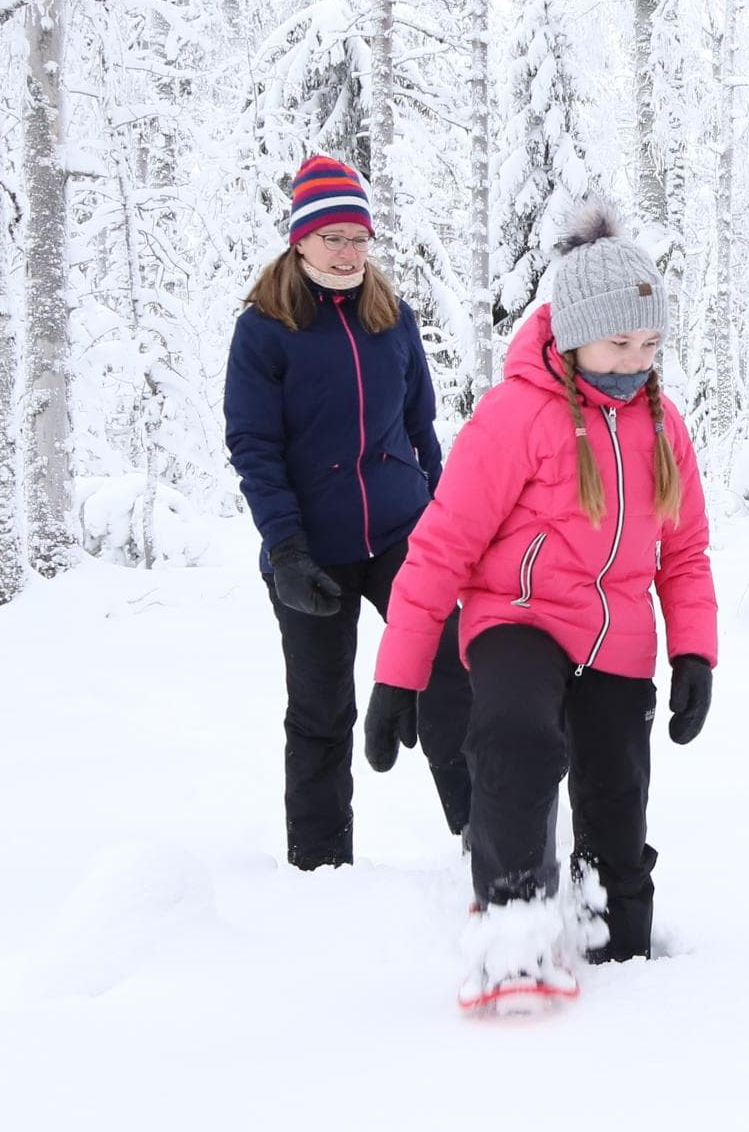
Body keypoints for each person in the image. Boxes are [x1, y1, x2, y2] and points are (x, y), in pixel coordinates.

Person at [362, 208, 716, 1013]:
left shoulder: (665, 429)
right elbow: (441, 547)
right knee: (515, 736)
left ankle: (611, 934)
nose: (637, 362)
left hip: (618, 637)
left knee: (616, 799)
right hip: (518, 619)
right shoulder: (518, 414)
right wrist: (400, 675)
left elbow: (686, 552)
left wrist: (694, 651)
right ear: (575, 333)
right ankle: (515, 924)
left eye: (650, 345)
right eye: (620, 345)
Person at [223, 154, 473, 869]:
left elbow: (423, 429)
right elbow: (254, 446)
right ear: (300, 239)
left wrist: (446, 521)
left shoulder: (391, 319)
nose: (348, 252)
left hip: (402, 532)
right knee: (320, 708)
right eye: (333, 237)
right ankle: (321, 866)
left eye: (359, 237)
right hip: (310, 545)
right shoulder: (265, 330)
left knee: (452, 667)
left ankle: (484, 835)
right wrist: (288, 550)